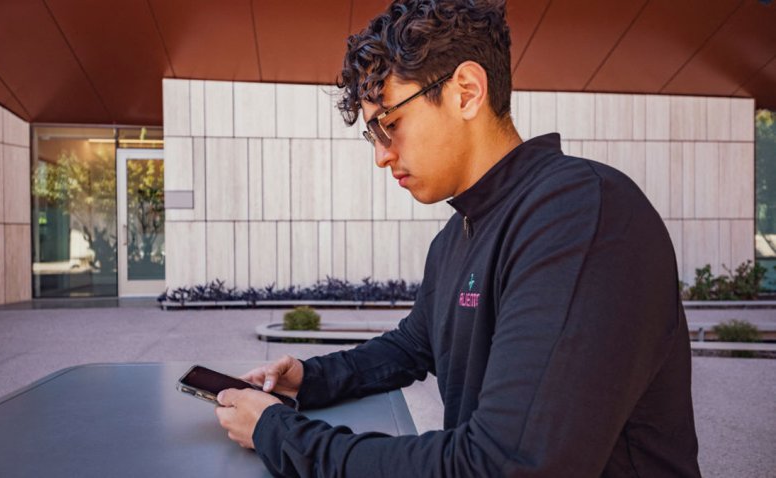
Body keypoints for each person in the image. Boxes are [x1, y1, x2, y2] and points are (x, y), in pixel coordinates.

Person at [214, 0, 701, 476]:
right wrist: (310, 378)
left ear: (466, 91)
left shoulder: (582, 215)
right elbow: (412, 346)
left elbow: (505, 464)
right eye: (373, 136)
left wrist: (279, 434)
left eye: (389, 124)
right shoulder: (457, 234)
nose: (382, 156)